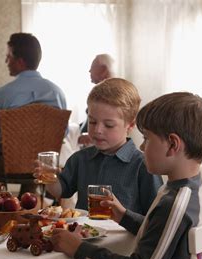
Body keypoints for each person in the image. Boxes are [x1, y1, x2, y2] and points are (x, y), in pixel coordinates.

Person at [51, 92, 202, 259]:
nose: (141, 147)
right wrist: (124, 215)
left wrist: (79, 249)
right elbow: (162, 238)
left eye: (147, 139)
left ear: (172, 144)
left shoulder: (175, 203)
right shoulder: (188, 188)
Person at [35, 78, 163, 215]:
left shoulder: (144, 165)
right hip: (82, 233)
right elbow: (62, 191)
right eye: (92, 122)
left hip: (124, 235)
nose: (98, 130)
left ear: (130, 125)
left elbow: (155, 218)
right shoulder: (81, 158)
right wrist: (49, 179)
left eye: (108, 125)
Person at [0, 32, 67, 199]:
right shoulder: (58, 93)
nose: (6, 62)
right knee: (35, 156)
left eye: (8, 57)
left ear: (19, 61)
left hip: (7, 165)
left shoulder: (3, 94)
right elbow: (61, 134)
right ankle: (29, 197)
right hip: (43, 166)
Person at [79, 54, 115, 146]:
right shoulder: (99, 92)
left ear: (103, 70)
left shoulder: (112, 94)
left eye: (92, 67)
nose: (89, 70)